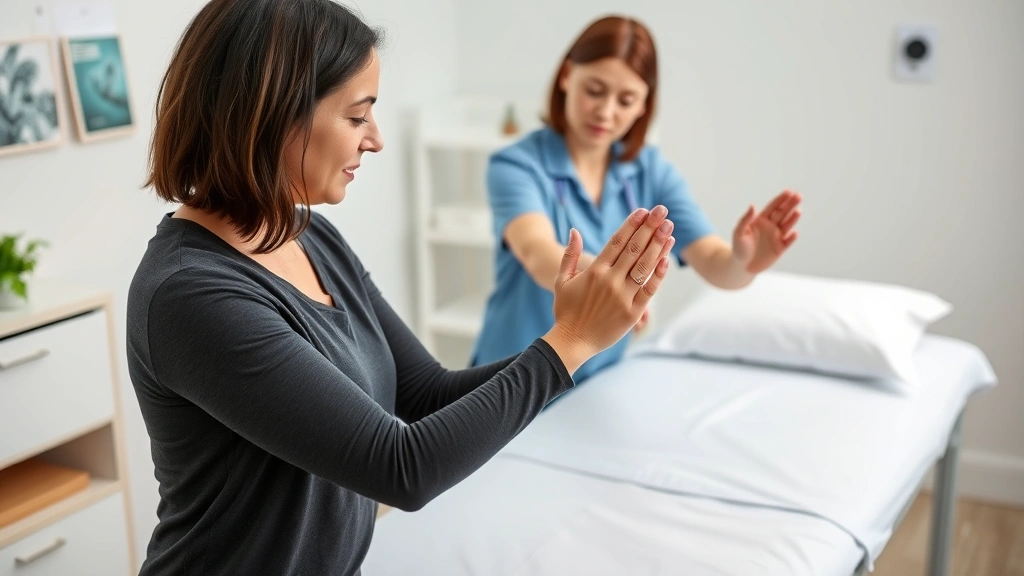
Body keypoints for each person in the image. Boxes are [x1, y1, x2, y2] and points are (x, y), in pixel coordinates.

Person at [126, 1, 676, 574]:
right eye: (357, 116)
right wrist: (571, 341)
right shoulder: (191, 296)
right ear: (274, 113)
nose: (376, 139)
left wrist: (584, 336)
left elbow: (426, 394)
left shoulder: (312, 238)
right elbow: (401, 467)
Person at [471, 15, 803, 382]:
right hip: (510, 376)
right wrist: (614, 284)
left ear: (644, 104)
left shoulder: (651, 170)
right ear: (567, 76)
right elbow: (537, 254)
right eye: (594, 90)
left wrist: (745, 261)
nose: (606, 111)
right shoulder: (516, 164)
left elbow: (716, 263)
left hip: (595, 376)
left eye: (626, 99)